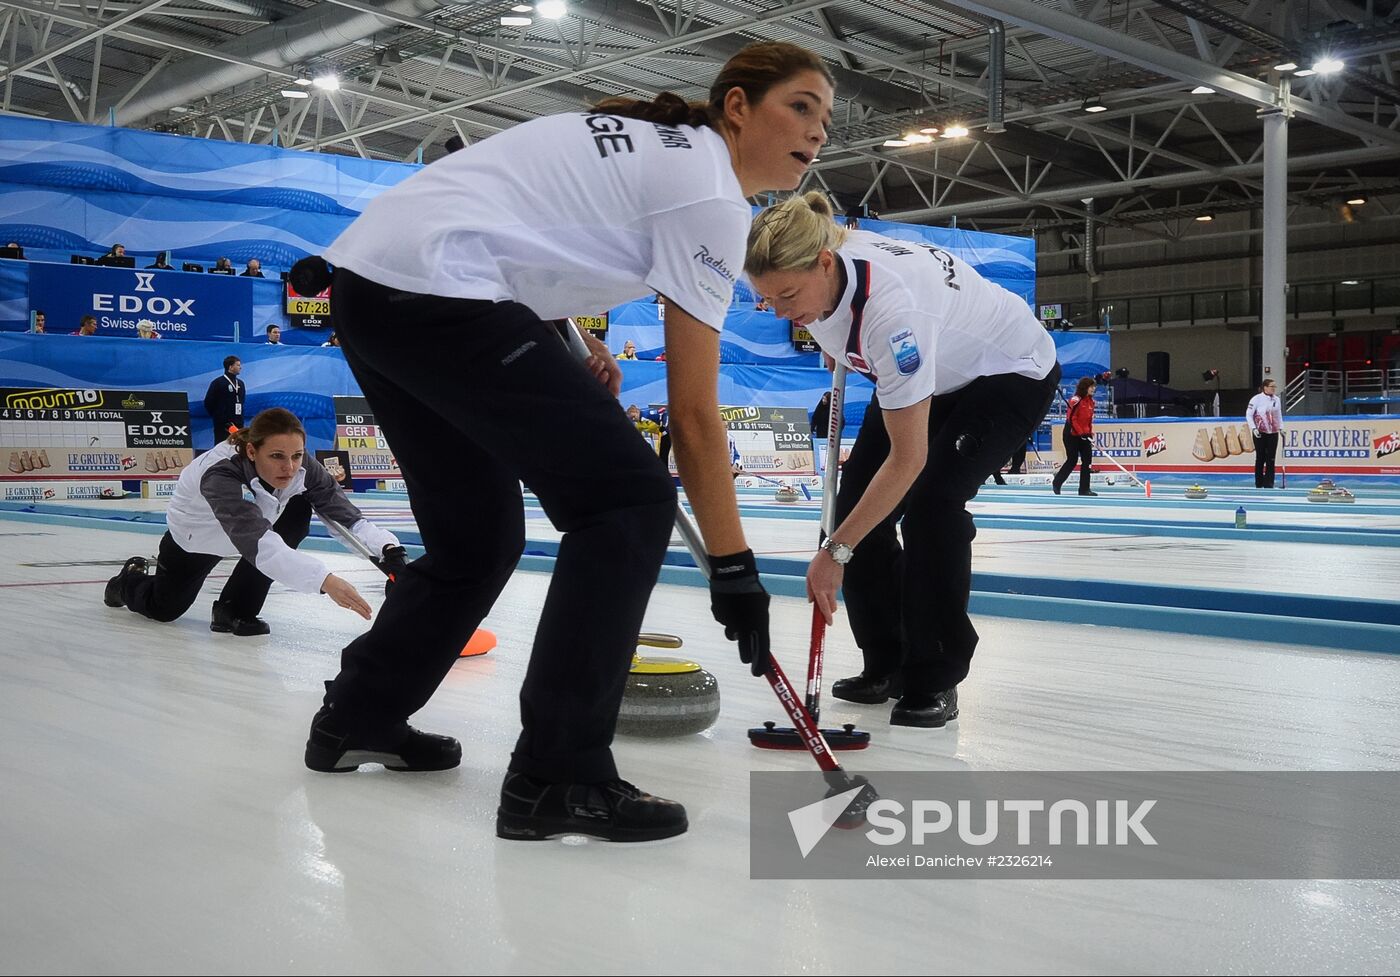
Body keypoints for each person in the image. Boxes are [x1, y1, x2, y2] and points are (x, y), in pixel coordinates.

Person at [311, 41, 834, 842]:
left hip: (372, 288)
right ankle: (559, 772)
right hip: (437, 291)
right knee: (625, 501)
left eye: (827, 118)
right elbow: (694, 418)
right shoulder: (710, 196)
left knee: (476, 539)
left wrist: (563, 331)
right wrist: (734, 570)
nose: (819, 130)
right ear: (738, 107)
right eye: (801, 106)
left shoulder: (668, 154)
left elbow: (521, 221)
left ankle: (358, 716)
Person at [744, 192, 1059, 729]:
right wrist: (831, 334)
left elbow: (909, 460)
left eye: (787, 296)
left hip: (1005, 372)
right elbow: (831, 314)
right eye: (765, 300)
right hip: (930, 369)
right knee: (857, 509)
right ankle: (887, 661)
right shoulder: (824, 274)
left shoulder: (895, 315)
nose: (779, 313)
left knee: (933, 508)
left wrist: (834, 553)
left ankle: (933, 673)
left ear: (824, 263)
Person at [103, 408, 401, 637]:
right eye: (277, 456)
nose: (289, 467)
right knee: (164, 609)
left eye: (297, 455)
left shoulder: (300, 467)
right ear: (251, 451)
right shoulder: (220, 474)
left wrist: (389, 552)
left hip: (255, 529)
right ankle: (125, 582)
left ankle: (235, 609)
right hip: (197, 538)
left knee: (298, 510)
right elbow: (258, 543)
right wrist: (324, 580)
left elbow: (344, 514)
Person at [1052, 377, 1097, 496]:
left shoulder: (1092, 402)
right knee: (1072, 460)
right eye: (1091, 386)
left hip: (1084, 435)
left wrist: (1089, 433)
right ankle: (1057, 482)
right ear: (1085, 387)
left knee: (1087, 461)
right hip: (1071, 434)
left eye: (1094, 387)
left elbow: (1088, 421)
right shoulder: (1075, 400)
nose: (1093, 389)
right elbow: (1071, 419)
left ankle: (1084, 489)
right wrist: (1080, 432)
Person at [1246, 378, 1283, 488]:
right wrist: (1253, 428)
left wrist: (1281, 428)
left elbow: (1278, 414)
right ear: (1265, 387)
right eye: (1272, 386)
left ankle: (1269, 483)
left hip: (1273, 432)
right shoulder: (1256, 399)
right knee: (1260, 458)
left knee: (1271, 458)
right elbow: (1249, 415)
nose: (1274, 389)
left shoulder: (1277, 399)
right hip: (1260, 432)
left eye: (1274, 387)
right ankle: (1259, 483)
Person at [203, 356, 246, 444]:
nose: (240, 367)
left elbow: (242, 401)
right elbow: (208, 402)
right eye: (238, 365)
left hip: (238, 422)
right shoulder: (218, 383)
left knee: (237, 447)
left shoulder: (241, 384)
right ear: (230, 367)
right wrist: (218, 417)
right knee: (222, 448)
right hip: (222, 425)